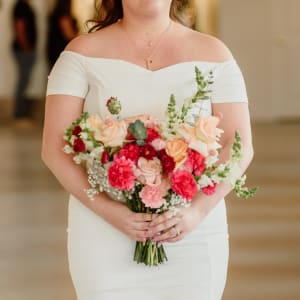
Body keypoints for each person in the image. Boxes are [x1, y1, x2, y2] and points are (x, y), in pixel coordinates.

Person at [42, 1, 254, 299]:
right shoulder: (80, 54)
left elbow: (239, 146)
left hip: (190, 230)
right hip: (103, 232)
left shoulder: (215, 54)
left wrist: (195, 211)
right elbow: (54, 149)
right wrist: (110, 210)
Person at [12, 0, 37, 124]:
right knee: (23, 81)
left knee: (24, 80)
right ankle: (19, 115)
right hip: (23, 49)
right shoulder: (21, 6)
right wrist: (26, 47)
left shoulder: (25, 6)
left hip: (25, 49)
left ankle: (20, 114)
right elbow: (19, 26)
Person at [47, 0, 78, 69]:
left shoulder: (56, 13)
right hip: (60, 51)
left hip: (55, 51)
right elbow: (68, 34)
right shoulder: (63, 15)